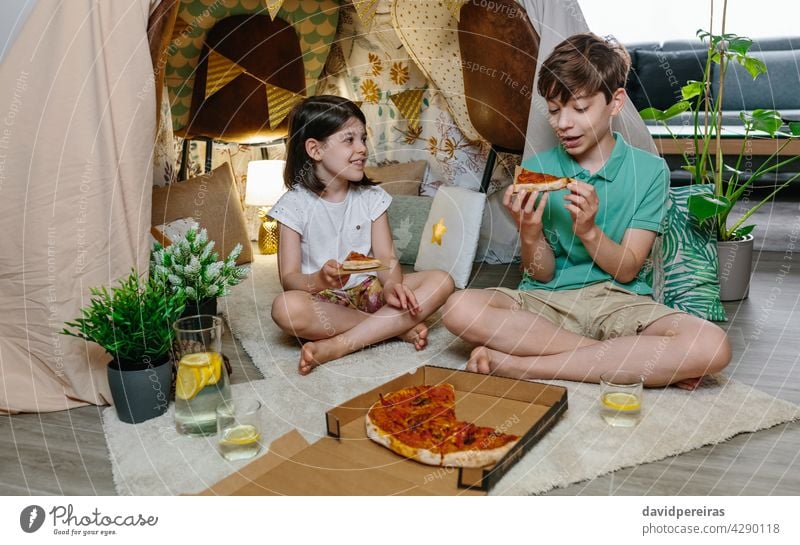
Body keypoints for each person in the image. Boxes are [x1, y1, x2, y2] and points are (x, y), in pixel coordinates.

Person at [442, 33, 731, 388]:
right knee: (458, 308)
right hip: (546, 304)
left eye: (579, 108)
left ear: (615, 102)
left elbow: (627, 270)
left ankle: (525, 366)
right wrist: (528, 231)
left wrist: (589, 231)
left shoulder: (649, 171)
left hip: (619, 302)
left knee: (712, 345)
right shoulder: (539, 168)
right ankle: (614, 358)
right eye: (553, 110)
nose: (563, 123)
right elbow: (541, 274)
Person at [270, 95, 454, 375]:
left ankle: (341, 344)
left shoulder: (372, 198)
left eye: (363, 139)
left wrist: (392, 286)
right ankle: (390, 327)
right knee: (284, 309)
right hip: (324, 301)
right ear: (315, 150)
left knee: (442, 281)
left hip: (370, 290)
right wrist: (320, 279)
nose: (362, 148)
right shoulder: (293, 205)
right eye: (349, 140)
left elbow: (386, 258)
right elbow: (289, 279)